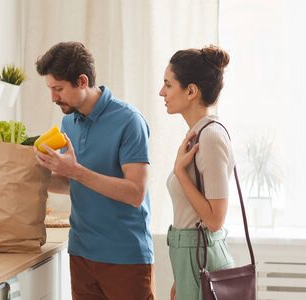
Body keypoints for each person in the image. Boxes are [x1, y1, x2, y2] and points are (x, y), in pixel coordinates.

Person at [34, 41, 155, 300]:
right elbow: (72, 183)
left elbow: (135, 193)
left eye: (58, 89)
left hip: (125, 257)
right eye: (50, 89)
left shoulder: (129, 121)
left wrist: (75, 171)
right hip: (81, 254)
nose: (53, 97)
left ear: (82, 80)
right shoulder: (69, 122)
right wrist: (37, 175)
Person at [159, 45, 235, 300]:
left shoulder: (211, 136)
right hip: (191, 260)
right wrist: (181, 275)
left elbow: (215, 220)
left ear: (191, 91)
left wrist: (180, 173)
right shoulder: (198, 135)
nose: (162, 92)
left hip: (201, 259)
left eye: (168, 85)